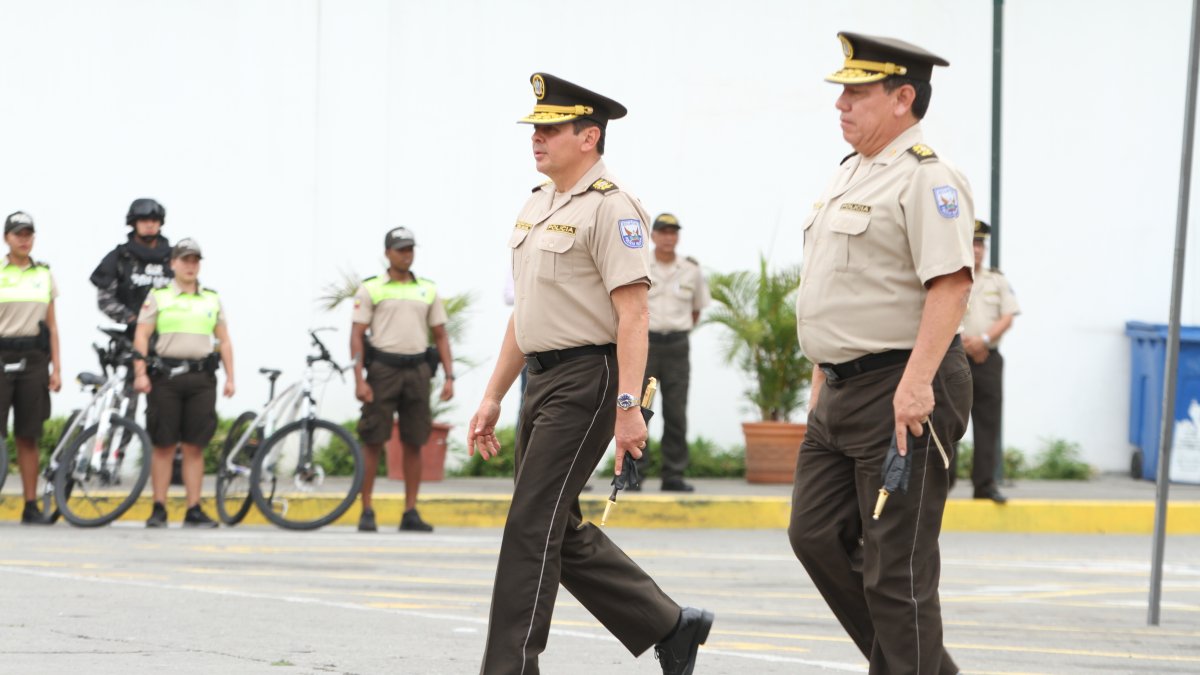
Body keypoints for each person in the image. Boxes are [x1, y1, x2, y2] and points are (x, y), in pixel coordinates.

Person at [467, 72, 713, 675]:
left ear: (589, 136)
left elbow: (634, 313)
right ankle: (669, 624)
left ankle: (509, 667)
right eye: (535, 128)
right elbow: (525, 315)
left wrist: (628, 406)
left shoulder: (614, 207)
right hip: (542, 379)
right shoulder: (536, 203)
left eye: (551, 128)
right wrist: (493, 395)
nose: (537, 137)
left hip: (589, 379)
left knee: (531, 522)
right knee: (557, 520)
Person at [789, 33, 975, 674]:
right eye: (842, 91)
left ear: (903, 98)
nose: (842, 103)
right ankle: (922, 665)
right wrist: (821, 379)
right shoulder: (851, 173)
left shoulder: (928, 177)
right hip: (839, 392)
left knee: (897, 569)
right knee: (814, 535)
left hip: (902, 388)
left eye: (857, 93)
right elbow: (840, 288)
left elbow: (950, 284)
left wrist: (918, 383)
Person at [350, 227, 453, 533]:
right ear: (387, 253)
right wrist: (359, 379)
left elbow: (441, 335)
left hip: (418, 370)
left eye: (410, 249)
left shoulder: (428, 290)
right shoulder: (371, 289)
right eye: (400, 249)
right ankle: (366, 509)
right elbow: (356, 336)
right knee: (373, 440)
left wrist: (449, 375)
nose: (406, 254)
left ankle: (410, 511)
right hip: (382, 369)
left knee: (415, 440)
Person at [133, 238, 234, 528]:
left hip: (201, 378)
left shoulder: (211, 298)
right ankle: (159, 507)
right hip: (166, 377)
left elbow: (224, 340)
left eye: (195, 261)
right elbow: (141, 336)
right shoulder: (159, 296)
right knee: (163, 445)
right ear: (173, 263)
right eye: (185, 260)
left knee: (194, 446)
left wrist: (231, 377)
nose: (190, 266)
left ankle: (193, 509)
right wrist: (140, 372)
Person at [0, 212, 61, 524]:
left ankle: (30, 504)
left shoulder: (44, 275)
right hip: (1, 354)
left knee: (28, 436)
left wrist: (57, 368)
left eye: (28, 234)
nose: (23, 239)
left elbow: (52, 325)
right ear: (6, 238)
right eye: (17, 234)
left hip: (35, 359)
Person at [642, 213, 709, 492]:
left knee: (676, 411)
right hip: (645, 344)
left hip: (677, 346)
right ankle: (634, 472)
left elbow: (696, 309)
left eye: (673, 232)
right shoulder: (640, 264)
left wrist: (676, 331)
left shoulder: (690, 270)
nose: (669, 237)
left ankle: (673, 475)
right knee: (639, 409)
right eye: (663, 232)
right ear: (654, 236)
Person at [959, 220, 1019, 503]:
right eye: (972, 244)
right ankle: (941, 484)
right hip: (956, 357)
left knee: (987, 424)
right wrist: (965, 344)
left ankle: (984, 485)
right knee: (948, 422)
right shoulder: (951, 278)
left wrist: (982, 341)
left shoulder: (997, 280)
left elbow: (1007, 316)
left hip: (988, 359)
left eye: (981, 244)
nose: (978, 250)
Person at [90, 198, 173, 330]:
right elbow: (105, 300)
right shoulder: (119, 258)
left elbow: (191, 293)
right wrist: (133, 320)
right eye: (144, 220)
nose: (150, 225)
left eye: (154, 220)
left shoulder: (175, 258)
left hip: (172, 332)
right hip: (133, 334)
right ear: (134, 223)